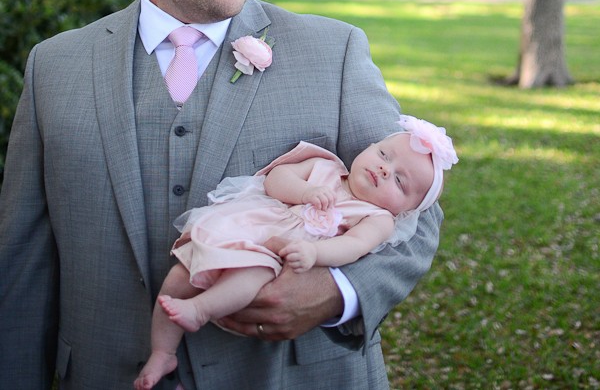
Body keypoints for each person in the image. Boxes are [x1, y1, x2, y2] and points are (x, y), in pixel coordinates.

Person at [0, 0, 443, 390]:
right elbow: (21, 266)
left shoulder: (335, 52)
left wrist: (336, 290)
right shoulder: (56, 67)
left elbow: (417, 208)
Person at [135, 117, 458, 389]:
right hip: (246, 225)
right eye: (384, 155)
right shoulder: (325, 167)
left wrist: (314, 252)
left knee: (250, 274)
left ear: (408, 209)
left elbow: (352, 246)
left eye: (400, 181)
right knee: (180, 273)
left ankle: (200, 309)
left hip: (274, 251)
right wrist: (305, 191)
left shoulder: (376, 218)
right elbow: (276, 178)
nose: (385, 170)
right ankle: (163, 352)